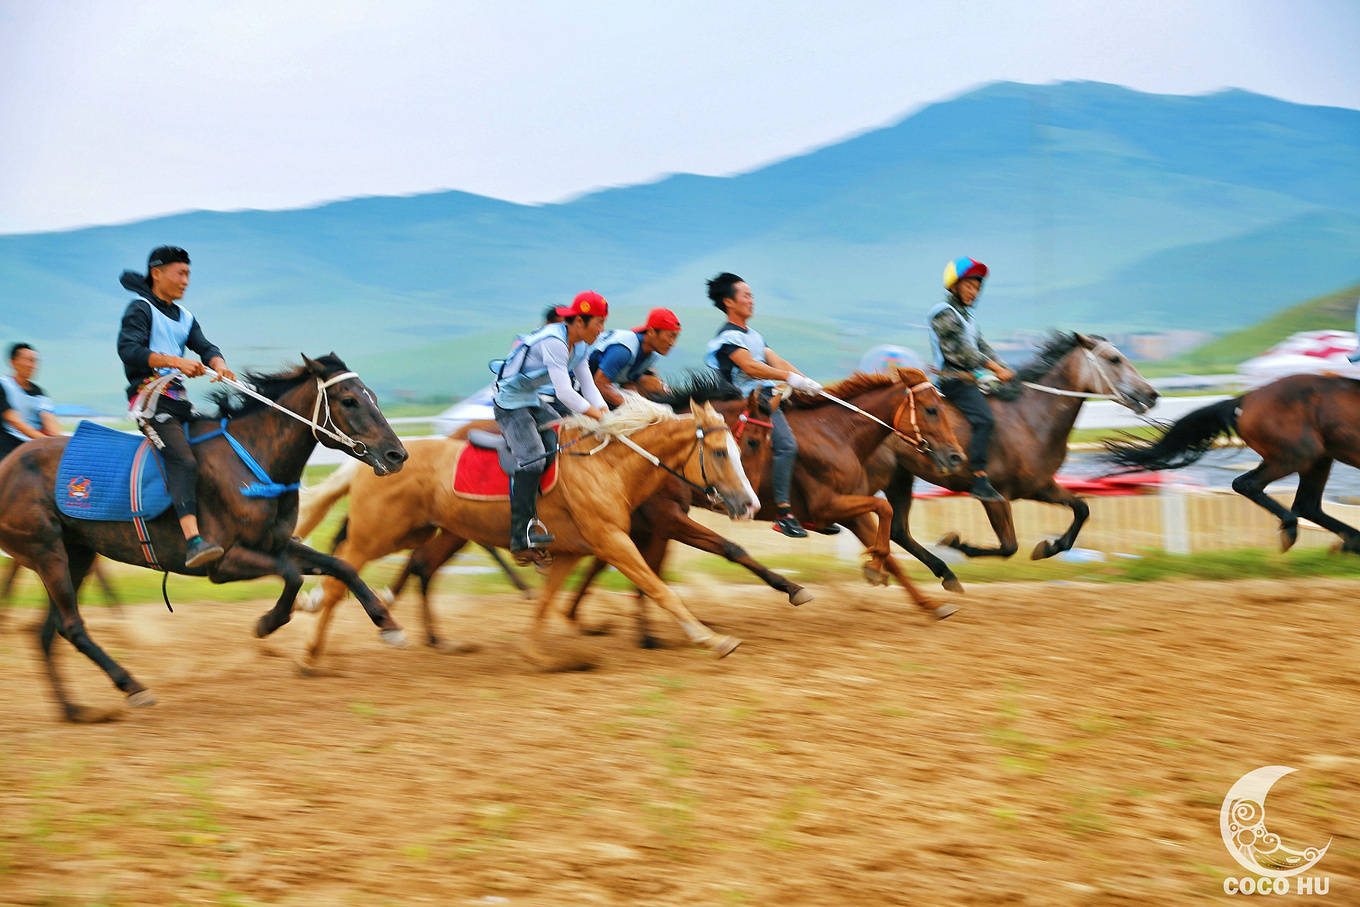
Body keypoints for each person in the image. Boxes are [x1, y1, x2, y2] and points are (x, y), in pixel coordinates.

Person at [116, 245, 237, 568]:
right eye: (180, 273)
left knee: (222, 445)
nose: (186, 280)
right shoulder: (140, 309)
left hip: (179, 402)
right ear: (157, 273)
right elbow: (129, 350)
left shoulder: (185, 317)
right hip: (150, 403)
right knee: (183, 460)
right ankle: (193, 541)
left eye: (188, 274)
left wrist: (218, 363)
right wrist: (175, 362)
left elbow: (205, 346)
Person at [492, 290, 609, 561]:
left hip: (531, 399)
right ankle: (520, 535)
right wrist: (599, 416)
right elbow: (566, 394)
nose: (602, 330)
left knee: (565, 438)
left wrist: (605, 412)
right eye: (598, 323)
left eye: (604, 323)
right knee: (532, 460)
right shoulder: (555, 342)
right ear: (579, 322)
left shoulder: (579, 345)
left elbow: (589, 386)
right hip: (509, 403)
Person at [704, 272, 822, 538]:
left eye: (751, 295)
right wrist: (789, 379)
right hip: (743, 405)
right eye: (745, 295)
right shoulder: (727, 337)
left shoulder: (754, 335)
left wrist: (807, 382)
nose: (751, 300)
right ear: (729, 302)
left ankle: (814, 509)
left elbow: (776, 361)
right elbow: (750, 366)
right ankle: (783, 513)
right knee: (787, 445)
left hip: (767, 398)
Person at [927, 256, 1014, 501]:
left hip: (971, 380)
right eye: (969, 286)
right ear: (954, 286)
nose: (974, 292)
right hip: (953, 381)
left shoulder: (968, 317)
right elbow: (964, 354)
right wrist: (996, 369)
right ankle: (978, 477)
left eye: (977, 287)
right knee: (985, 419)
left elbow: (983, 346)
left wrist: (1007, 369)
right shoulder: (943, 314)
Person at [589, 307, 681, 408]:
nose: (672, 343)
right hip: (576, 382)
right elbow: (600, 384)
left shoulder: (650, 355)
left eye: (675, 337)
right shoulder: (624, 351)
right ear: (651, 332)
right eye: (670, 336)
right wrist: (635, 408)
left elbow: (627, 384)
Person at [0, 343, 62, 460]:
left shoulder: (39, 392)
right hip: (7, 448)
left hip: (33, 447)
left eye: (35, 361)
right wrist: (46, 442)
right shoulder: (2, 385)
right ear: (12, 362)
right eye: (28, 360)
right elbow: (13, 420)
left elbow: (48, 418)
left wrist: (59, 441)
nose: (32, 366)